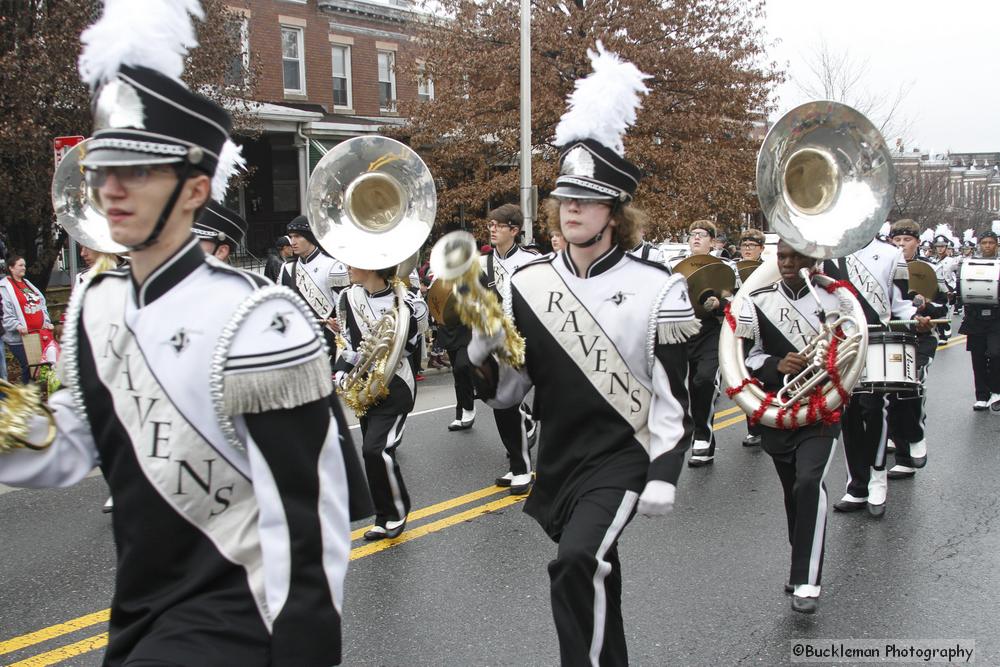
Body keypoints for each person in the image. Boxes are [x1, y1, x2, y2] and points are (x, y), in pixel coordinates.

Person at [0, 3, 365, 663]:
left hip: (239, 614)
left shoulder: (260, 323)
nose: (111, 188)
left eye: (137, 171)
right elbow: (67, 448)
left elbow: (308, 516)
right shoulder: (94, 303)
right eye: (104, 168)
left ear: (196, 189)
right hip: (141, 610)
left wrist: (305, 646)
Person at [470, 43, 696, 665]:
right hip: (559, 456)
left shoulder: (660, 288)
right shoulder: (527, 283)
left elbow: (674, 398)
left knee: (577, 562)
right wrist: (483, 353)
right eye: (564, 197)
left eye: (587, 199)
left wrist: (663, 470)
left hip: (621, 456)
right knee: (596, 572)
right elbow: (512, 393)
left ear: (615, 214)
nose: (571, 207)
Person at [735, 240, 845, 613]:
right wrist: (777, 365)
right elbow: (747, 357)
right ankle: (801, 560)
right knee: (792, 492)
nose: (785, 263)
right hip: (779, 408)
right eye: (781, 256)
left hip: (823, 409)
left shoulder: (837, 300)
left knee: (809, 481)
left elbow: (855, 349)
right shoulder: (759, 300)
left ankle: (807, 580)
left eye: (795, 257)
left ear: (813, 260)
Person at [824, 235, 931, 517]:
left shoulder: (889, 254)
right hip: (844, 341)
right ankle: (857, 486)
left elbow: (899, 303)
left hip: (878, 338)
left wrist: (916, 318)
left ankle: (877, 475)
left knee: (874, 409)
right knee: (848, 414)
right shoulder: (828, 253)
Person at [335, 264, 425, 540]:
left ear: (372, 268)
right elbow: (347, 341)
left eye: (354, 263)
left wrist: (382, 351)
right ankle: (382, 514)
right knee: (371, 452)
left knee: (376, 450)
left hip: (395, 385)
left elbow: (411, 346)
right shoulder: (347, 297)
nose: (348, 268)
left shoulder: (406, 301)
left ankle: (397, 511)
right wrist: (341, 370)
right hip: (364, 385)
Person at [480, 203, 538, 495]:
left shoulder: (532, 261)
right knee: (502, 403)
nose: (492, 229)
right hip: (498, 345)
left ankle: (524, 461)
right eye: (490, 224)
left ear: (514, 230)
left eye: (499, 225)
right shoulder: (482, 264)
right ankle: (519, 464)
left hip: (531, 343)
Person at [885, 220, 948, 479]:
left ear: (917, 242)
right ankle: (902, 451)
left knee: (911, 390)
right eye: (896, 240)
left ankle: (913, 440)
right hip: (891, 338)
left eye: (906, 240)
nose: (901, 245)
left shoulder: (930, 269)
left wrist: (924, 306)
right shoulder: (883, 268)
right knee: (890, 395)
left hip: (921, 339)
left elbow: (945, 307)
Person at [671, 219, 736, 466]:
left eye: (702, 234)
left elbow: (739, 302)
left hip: (711, 331)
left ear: (712, 240)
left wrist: (722, 304)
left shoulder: (726, 266)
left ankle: (703, 436)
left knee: (704, 380)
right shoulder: (674, 266)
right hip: (680, 330)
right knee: (674, 388)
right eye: (692, 234)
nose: (696, 238)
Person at [279, 215, 349, 350]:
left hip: (327, 342)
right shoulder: (287, 268)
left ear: (310, 237)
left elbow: (344, 308)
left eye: (298, 236)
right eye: (291, 236)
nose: (292, 242)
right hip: (295, 340)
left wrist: (339, 322)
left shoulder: (333, 266)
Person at [957, 230, 1000, 410]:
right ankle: (982, 395)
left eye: (991, 243)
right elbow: (960, 287)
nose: (988, 246)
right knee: (978, 357)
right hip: (975, 317)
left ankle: (996, 391)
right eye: (984, 243)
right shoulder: (968, 264)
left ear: (996, 245)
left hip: (997, 317)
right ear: (979, 245)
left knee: (996, 354)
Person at [0, 255, 55, 383]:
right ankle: (26, 397)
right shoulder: (4, 288)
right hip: (20, 338)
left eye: (24, 265)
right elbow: (5, 313)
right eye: (20, 265)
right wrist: (17, 326)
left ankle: (32, 395)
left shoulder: (27, 284)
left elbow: (41, 303)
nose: (24, 268)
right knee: (28, 366)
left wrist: (46, 322)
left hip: (38, 334)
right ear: (11, 268)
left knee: (37, 368)